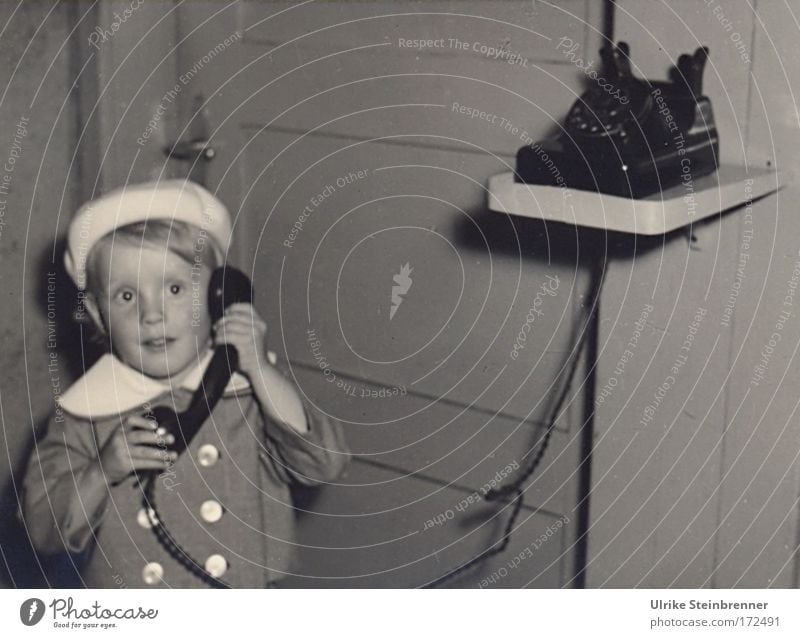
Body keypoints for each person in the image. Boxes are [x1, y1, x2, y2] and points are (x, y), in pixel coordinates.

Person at [21, 179, 349, 588]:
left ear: (217, 296)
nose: (151, 315)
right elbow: (42, 530)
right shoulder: (84, 414)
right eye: (126, 297)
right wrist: (103, 470)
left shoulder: (248, 395)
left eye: (175, 289)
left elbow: (323, 463)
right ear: (96, 312)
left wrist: (260, 371)